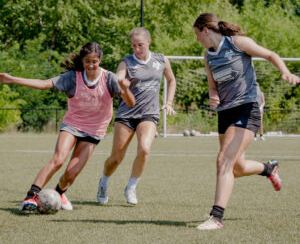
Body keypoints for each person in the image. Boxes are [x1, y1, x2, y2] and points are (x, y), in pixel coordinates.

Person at [193, 13, 300, 230]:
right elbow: (212, 85)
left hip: (247, 108)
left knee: (223, 160)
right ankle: (268, 168)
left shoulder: (237, 43)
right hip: (225, 113)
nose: (197, 40)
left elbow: (270, 54)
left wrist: (285, 72)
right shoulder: (208, 55)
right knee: (237, 167)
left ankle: (216, 217)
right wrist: (213, 95)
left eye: (197, 35)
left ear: (205, 30)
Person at [0, 42, 135, 212]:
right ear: (82, 61)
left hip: (94, 132)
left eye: (94, 61)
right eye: (87, 61)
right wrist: (11, 79)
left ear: (100, 60)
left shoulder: (110, 79)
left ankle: (58, 194)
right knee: (58, 159)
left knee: (71, 174)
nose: (91, 65)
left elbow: (131, 103)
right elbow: (44, 84)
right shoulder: (72, 77)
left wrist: (125, 90)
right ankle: (31, 197)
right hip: (72, 125)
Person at [97, 27, 176, 205]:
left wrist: (169, 102)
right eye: (133, 45)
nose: (137, 49)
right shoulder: (126, 62)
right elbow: (118, 77)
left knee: (144, 149)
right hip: (127, 114)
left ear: (148, 42)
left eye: (140, 45)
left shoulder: (161, 59)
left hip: (149, 114)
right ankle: (104, 181)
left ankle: (131, 186)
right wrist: (120, 82)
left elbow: (171, 80)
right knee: (116, 158)